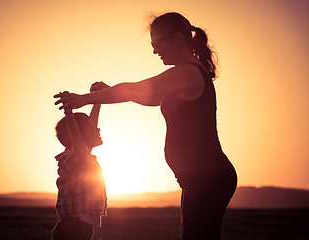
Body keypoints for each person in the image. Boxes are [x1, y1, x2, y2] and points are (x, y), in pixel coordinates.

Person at [54, 12, 237, 240]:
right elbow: (151, 98)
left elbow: (135, 90)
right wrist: (106, 92)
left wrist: (84, 98)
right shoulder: (183, 75)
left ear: (178, 39)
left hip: (208, 178)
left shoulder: (187, 73)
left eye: (157, 43)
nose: (154, 50)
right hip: (200, 179)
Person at [51, 83, 108, 240]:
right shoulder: (77, 157)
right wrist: (69, 112)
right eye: (91, 128)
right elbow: (76, 137)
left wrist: (98, 100)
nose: (97, 129)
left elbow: (86, 130)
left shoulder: (83, 158)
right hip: (74, 228)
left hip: (77, 226)